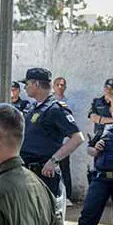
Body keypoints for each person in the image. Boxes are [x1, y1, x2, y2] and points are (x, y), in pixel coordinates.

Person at [20, 67, 84, 225]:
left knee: (49, 220)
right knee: (33, 219)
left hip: (44, 173)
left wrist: (54, 160)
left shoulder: (55, 108)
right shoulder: (34, 108)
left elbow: (77, 138)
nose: (26, 87)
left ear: (36, 84)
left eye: (27, 83)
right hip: (29, 172)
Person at [64, 124, 113, 225]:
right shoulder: (104, 130)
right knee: (88, 214)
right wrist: (96, 149)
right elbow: (90, 149)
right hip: (101, 178)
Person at [52, 77, 73, 205]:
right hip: (51, 141)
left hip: (64, 140)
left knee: (65, 168)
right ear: (53, 86)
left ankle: (68, 196)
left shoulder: (67, 102)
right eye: (58, 85)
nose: (60, 87)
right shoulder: (49, 101)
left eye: (63, 85)